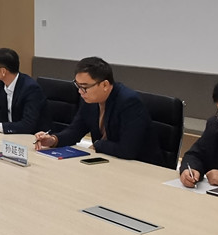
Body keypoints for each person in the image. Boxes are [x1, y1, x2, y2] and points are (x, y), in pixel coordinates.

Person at [34, 57, 162, 165]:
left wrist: (98, 144)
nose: (80, 92)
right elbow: (75, 130)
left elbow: (127, 150)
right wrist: (53, 140)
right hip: (108, 161)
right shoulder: (89, 100)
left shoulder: (129, 102)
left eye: (84, 87)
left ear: (104, 85)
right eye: (77, 85)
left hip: (141, 167)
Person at [0, 48, 51, 134]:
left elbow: (27, 125)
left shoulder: (31, 89)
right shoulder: (0, 84)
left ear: (3, 71)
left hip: (34, 137)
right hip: (9, 135)